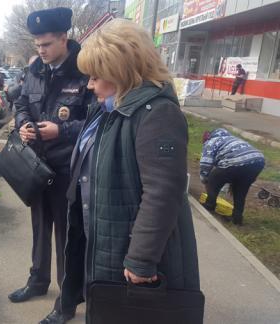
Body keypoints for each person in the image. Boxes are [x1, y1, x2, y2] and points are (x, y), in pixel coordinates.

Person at [60, 18, 200, 323]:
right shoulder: (111, 107)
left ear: (121, 72)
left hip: (129, 254)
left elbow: (162, 194)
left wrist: (140, 260)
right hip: (106, 240)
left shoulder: (157, 114)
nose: (90, 84)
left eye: (96, 76)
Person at [11, 7, 94, 324]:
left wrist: (64, 130)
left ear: (64, 38)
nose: (41, 51)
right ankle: (37, 281)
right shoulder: (35, 69)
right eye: (37, 45)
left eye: (46, 44)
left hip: (68, 167)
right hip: (37, 164)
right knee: (40, 227)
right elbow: (21, 103)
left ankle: (66, 301)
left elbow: (96, 118)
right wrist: (23, 125)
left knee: (67, 236)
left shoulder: (85, 70)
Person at [200, 128, 265, 225]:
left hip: (236, 161)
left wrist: (205, 179)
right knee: (240, 189)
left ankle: (210, 205)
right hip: (258, 160)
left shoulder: (211, 142)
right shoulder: (232, 138)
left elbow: (206, 163)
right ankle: (237, 218)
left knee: (213, 178)